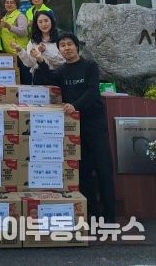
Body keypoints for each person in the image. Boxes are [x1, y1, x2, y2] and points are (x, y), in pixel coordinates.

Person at [32, 32, 116, 223]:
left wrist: (75, 105)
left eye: (69, 44)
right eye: (62, 45)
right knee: (83, 170)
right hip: (75, 126)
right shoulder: (62, 71)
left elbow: (93, 92)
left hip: (95, 123)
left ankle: (110, 216)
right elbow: (49, 78)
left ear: (77, 46)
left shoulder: (90, 66)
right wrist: (40, 60)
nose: (66, 48)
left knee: (103, 169)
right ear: (59, 50)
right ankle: (93, 213)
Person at [12, 10, 64, 85]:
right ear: (36, 24)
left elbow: (62, 61)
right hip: (39, 77)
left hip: (57, 75)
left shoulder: (60, 38)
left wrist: (45, 52)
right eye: (40, 22)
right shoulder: (33, 41)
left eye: (46, 21)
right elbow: (30, 63)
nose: (44, 24)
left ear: (51, 21)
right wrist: (20, 51)